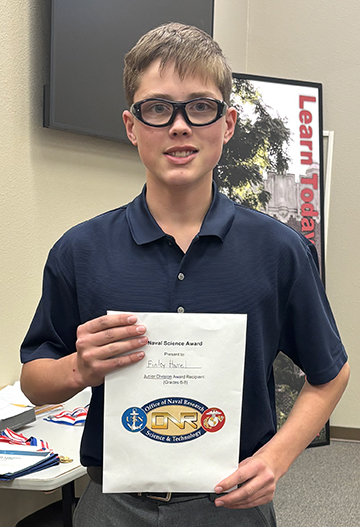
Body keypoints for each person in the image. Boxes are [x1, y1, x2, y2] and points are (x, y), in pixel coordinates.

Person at [20, 22, 349, 527]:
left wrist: (277, 457)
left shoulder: (279, 251)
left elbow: (331, 374)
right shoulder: (80, 251)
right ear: (131, 126)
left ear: (228, 124)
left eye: (200, 106)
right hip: (112, 504)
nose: (179, 126)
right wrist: (77, 370)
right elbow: (35, 382)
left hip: (232, 505)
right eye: (157, 108)